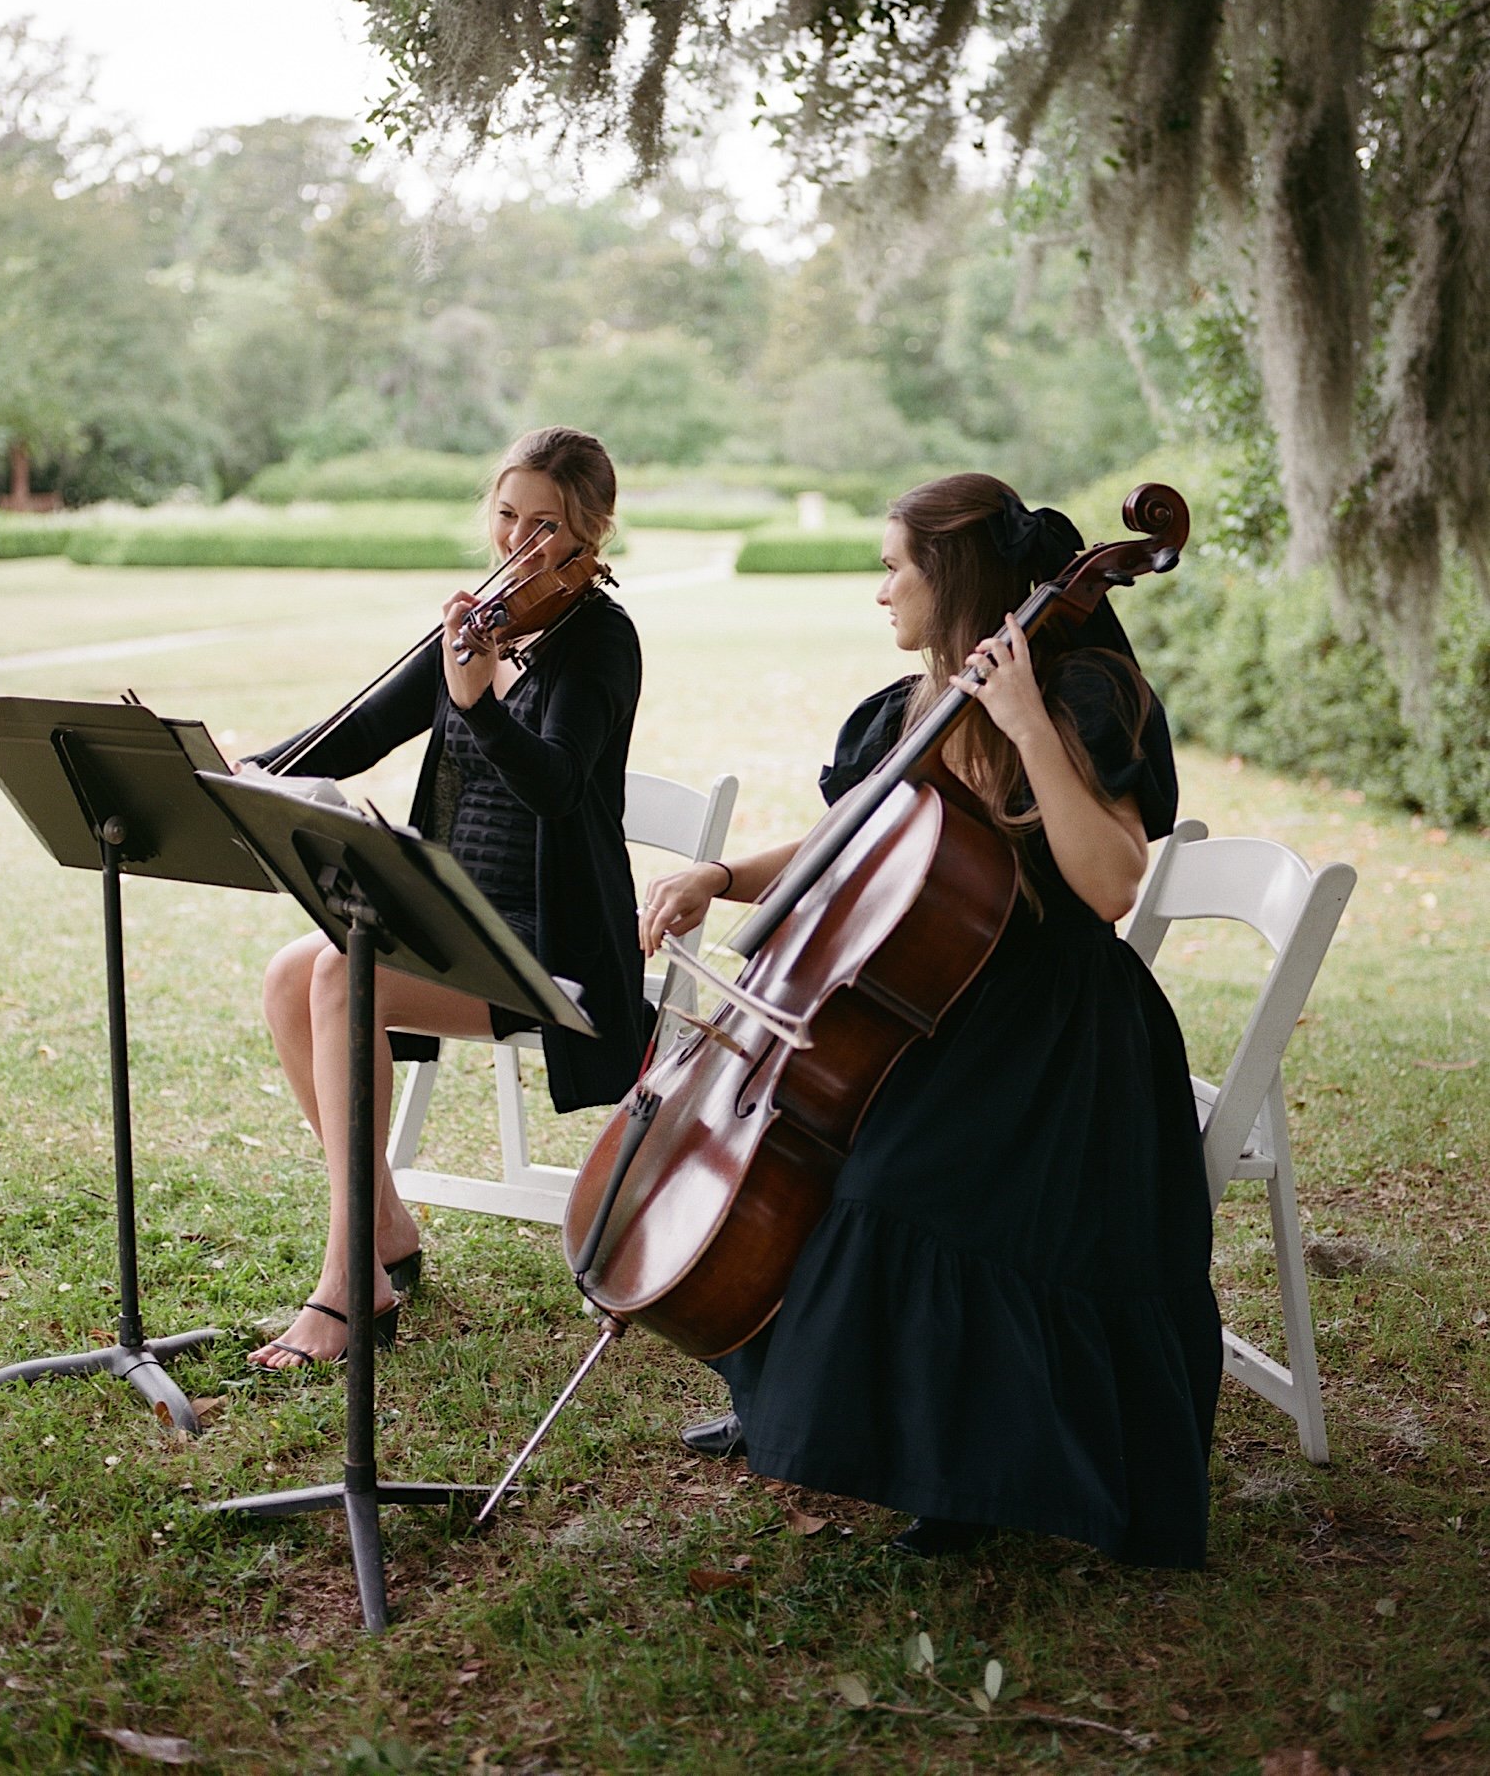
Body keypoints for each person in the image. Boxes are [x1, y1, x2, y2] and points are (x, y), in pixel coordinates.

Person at [639, 473, 1221, 1564]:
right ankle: (795, 1397)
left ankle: (967, 1472)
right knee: (798, 1158)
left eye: (893, 568)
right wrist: (717, 873)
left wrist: (1025, 726)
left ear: (950, 578)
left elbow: (1107, 884)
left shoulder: (1087, 690)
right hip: (934, 1003)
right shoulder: (910, 706)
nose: (880, 594)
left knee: (891, 1185)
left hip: (1057, 1031)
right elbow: (842, 846)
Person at [248, 427, 646, 1371]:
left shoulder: (601, 641)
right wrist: (254, 770)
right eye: (506, 515)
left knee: (346, 978)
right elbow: (359, 730)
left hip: (557, 941)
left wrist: (480, 703)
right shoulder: (478, 624)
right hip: (459, 917)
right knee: (286, 975)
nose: (517, 543)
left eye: (544, 526)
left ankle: (349, 1285)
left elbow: (556, 784)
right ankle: (383, 1228)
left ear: (590, 535)